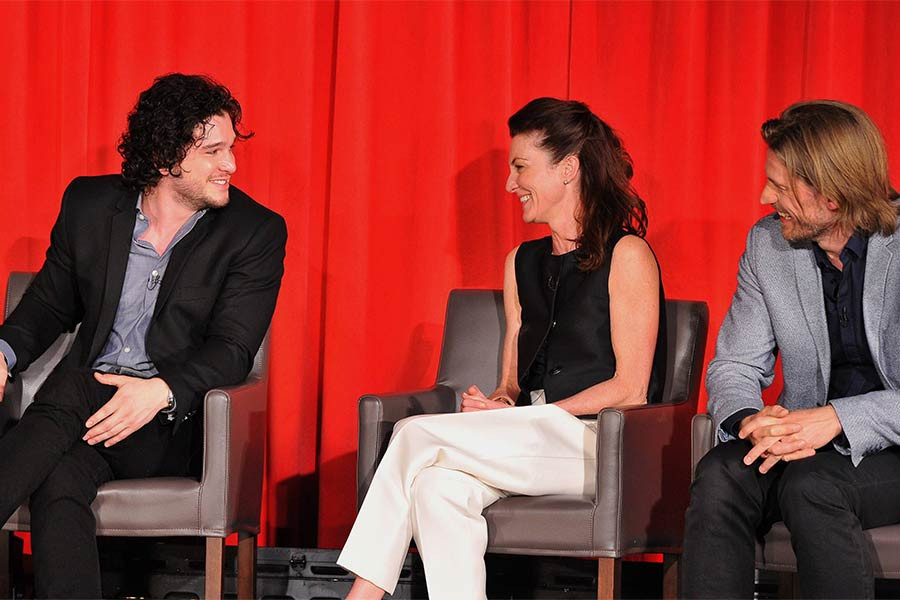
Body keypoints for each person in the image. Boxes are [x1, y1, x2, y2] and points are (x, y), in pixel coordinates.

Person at [338, 97, 667, 600]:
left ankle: (363, 594)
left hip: (600, 444)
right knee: (436, 488)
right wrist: (499, 405)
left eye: (521, 167)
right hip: (530, 438)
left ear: (568, 170)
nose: (511, 184)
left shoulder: (628, 255)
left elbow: (631, 388)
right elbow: (513, 382)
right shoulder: (520, 261)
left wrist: (529, 418)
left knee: (412, 433)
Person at [0, 73, 286, 597]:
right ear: (163, 156)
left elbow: (233, 349)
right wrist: (3, 353)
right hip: (83, 419)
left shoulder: (254, 231)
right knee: (59, 480)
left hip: (168, 424)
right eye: (213, 151)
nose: (231, 164)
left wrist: (160, 391)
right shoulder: (90, 205)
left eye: (231, 148)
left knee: (74, 387)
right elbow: (49, 303)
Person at [682, 100, 900, 598]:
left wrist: (837, 418)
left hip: (889, 449)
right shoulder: (768, 245)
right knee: (720, 474)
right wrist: (749, 420)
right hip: (802, 445)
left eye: (780, 187)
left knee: (812, 486)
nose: (765, 197)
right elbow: (735, 364)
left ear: (833, 195)